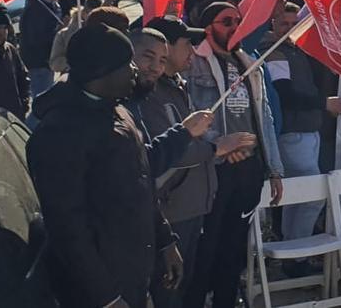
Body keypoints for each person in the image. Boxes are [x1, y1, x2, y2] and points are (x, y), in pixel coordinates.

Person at [28, 23, 213, 308]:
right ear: (101, 71)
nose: (135, 70)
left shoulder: (118, 110)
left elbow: (141, 180)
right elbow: (67, 228)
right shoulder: (59, 132)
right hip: (96, 290)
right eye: (128, 63)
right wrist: (106, 297)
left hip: (134, 273)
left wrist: (165, 242)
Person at [126, 25, 247, 308]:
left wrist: (218, 150)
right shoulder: (147, 96)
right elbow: (164, 151)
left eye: (160, 58)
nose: (156, 65)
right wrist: (217, 148)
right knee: (167, 291)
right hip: (171, 208)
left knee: (186, 286)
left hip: (194, 205)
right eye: (149, 57)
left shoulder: (177, 86)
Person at [184, 2, 284, 308]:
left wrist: (275, 169)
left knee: (235, 246)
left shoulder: (249, 61)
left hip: (249, 170)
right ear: (208, 26)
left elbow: (263, 117)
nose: (233, 26)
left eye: (238, 21)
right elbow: (189, 114)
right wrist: (221, 148)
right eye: (226, 21)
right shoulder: (194, 62)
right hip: (215, 168)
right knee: (206, 246)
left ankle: (226, 300)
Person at [261, 5, 341, 250]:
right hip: (293, 133)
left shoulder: (295, 50)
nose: (289, 28)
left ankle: (292, 250)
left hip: (309, 131)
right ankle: (299, 253)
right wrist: (324, 103)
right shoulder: (275, 53)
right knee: (314, 195)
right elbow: (284, 94)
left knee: (297, 197)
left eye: (293, 24)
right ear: (273, 25)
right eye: (284, 24)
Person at [21, 0, 63, 97]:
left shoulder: (46, 7)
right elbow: (38, 36)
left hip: (43, 58)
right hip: (39, 59)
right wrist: (58, 31)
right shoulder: (38, 9)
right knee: (42, 97)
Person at [50, 0, 106, 73]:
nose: (93, 17)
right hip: (74, 78)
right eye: (89, 13)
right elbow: (55, 63)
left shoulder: (107, 32)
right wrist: (75, 62)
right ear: (83, 12)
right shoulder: (64, 34)